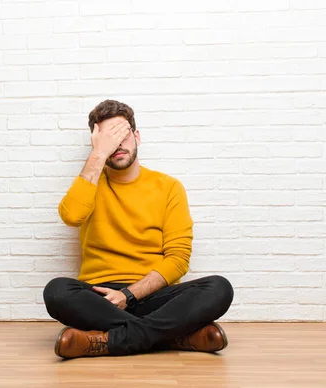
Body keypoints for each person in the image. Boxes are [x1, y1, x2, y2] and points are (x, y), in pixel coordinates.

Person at [43, 100, 234, 359]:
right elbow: (71, 216)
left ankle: (103, 341)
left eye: (121, 135)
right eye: (108, 139)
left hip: (153, 294)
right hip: (101, 299)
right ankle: (175, 336)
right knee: (56, 291)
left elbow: (178, 260)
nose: (117, 144)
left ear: (137, 137)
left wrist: (129, 295)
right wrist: (98, 155)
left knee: (219, 288)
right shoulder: (89, 184)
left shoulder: (168, 187)